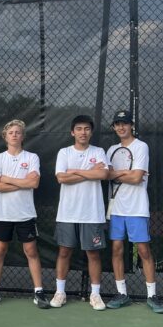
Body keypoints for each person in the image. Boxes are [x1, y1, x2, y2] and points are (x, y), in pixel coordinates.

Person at [104, 110, 163, 313]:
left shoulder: (141, 147)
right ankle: (122, 293)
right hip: (116, 209)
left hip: (137, 208)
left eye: (125, 123)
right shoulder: (111, 149)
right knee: (116, 250)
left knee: (143, 251)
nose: (121, 127)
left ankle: (152, 295)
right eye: (117, 124)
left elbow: (137, 178)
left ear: (131, 126)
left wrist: (117, 174)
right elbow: (105, 175)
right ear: (113, 127)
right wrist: (125, 173)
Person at [0, 119, 49, 308]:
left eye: (18, 132)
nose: (14, 135)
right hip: (3, 215)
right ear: (5, 136)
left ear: (23, 136)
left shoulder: (31, 158)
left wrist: (7, 179)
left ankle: (39, 292)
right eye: (11, 132)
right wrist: (20, 181)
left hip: (25, 214)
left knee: (31, 251)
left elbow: (33, 183)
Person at [51, 115, 109, 311]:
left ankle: (95, 294)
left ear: (91, 132)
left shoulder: (99, 151)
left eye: (86, 129)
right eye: (79, 129)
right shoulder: (64, 152)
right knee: (64, 251)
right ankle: (60, 292)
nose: (83, 132)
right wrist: (89, 171)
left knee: (93, 253)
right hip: (67, 213)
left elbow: (102, 174)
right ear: (72, 132)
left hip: (92, 213)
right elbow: (61, 178)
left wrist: (74, 171)